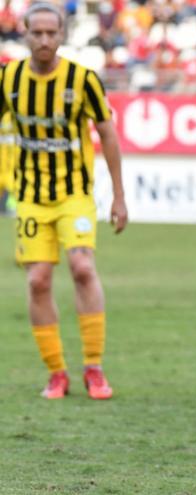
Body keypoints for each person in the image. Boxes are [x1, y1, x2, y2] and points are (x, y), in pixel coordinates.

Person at [1, 2, 128, 400]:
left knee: (82, 268)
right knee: (38, 280)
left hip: (74, 195)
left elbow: (107, 134)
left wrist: (119, 196)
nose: (43, 40)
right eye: (36, 33)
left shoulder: (83, 79)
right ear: (24, 33)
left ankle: (94, 368)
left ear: (61, 35)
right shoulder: (9, 78)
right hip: (31, 198)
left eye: (50, 33)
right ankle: (57, 373)